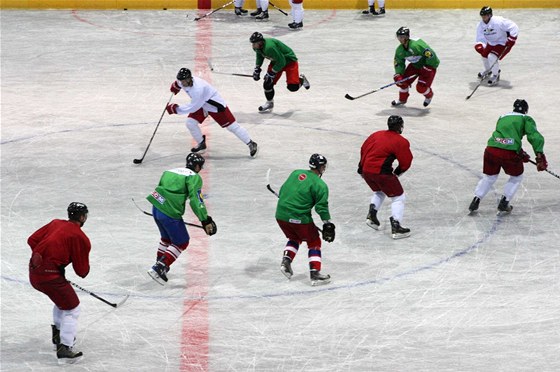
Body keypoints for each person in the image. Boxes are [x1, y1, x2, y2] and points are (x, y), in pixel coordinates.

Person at [28, 202, 91, 364]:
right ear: (83, 217)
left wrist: (46, 259)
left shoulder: (56, 223)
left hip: (34, 273)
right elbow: (82, 271)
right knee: (72, 307)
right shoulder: (80, 237)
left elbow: (32, 240)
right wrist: (54, 265)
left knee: (62, 301)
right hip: (50, 278)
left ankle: (58, 336)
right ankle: (65, 347)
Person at [146, 153, 217, 285]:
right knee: (182, 241)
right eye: (200, 167)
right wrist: (205, 219)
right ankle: (160, 267)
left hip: (156, 208)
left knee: (166, 239)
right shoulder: (194, 177)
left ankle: (159, 263)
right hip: (169, 212)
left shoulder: (169, 172)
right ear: (196, 166)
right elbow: (196, 200)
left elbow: (161, 189)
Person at [468, 99, 547, 215]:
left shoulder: (502, 117)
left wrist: (520, 152)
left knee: (489, 177)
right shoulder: (525, 118)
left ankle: (476, 200)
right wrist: (540, 156)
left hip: (491, 150)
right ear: (526, 110)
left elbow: (506, 137)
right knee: (517, 177)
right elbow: (534, 137)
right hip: (509, 154)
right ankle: (504, 202)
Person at [167, 67, 258, 158]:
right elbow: (178, 84)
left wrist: (176, 109)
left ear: (189, 79)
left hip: (215, 106)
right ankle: (201, 144)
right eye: (180, 81)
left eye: (183, 81)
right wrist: (176, 86)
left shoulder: (198, 89)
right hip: (202, 104)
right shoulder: (182, 81)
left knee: (232, 127)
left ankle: (251, 143)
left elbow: (193, 107)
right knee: (190, 123)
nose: (181, 83)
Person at [275, 154, 335, 286]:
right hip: (299, 218)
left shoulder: (296, 173)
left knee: (295, 237)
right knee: (314, 241)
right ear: (320, 167)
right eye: (323, 166)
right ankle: (315, 274)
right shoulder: (320, 185)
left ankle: (286, 262)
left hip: (280, 215)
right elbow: (321, 207)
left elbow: (283, 190)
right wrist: (328, 223)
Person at [358, 116, 413, 239]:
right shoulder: (400, 141)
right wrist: (398, 172)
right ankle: (396, 227)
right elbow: (406, 161)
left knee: (379, 191)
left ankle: (372, 216)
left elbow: (363, 149)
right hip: (381, 173)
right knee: (398, 197)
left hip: (366, 171)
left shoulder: (376, 135)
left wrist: (361, 168)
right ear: (400, 126)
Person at [250, 32, 310, 112]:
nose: (253, 46)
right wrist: (257, 68)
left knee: (293, 87)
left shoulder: (269, 47)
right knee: (267, 83)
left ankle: (301, 79)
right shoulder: (257, 47)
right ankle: (269, 103)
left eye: (254, 43)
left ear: (260, 42)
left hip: (289, 62)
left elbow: (282, 62)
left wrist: (271, 73)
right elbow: (260, 55)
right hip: (276, 61)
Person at [392, 26, 440, 108]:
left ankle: (429, 95)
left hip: (428, 67)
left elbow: (431, 56)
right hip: (415, 66)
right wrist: (399, 74)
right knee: (402, 82)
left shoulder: (417, 45)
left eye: (402, 37)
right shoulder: (400, 50)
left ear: (407, 37)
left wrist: (428, 68)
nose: (400, 39)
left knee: (420, 88)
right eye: (399, 37)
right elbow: (398, 62)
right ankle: (402, 99)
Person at [475, 6, 519, 86]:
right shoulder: (480, 25)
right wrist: (480, 44)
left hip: (502, 43)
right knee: (484, 55)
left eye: (485, 15)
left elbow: (513, 26)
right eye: (482, 16)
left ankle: (496, 75)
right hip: (490, 43)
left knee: (491, 57)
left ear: (490, 15)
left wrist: (512, 39)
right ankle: (488, 70)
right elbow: (480, 38)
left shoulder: (498, 21)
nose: (483, 17)